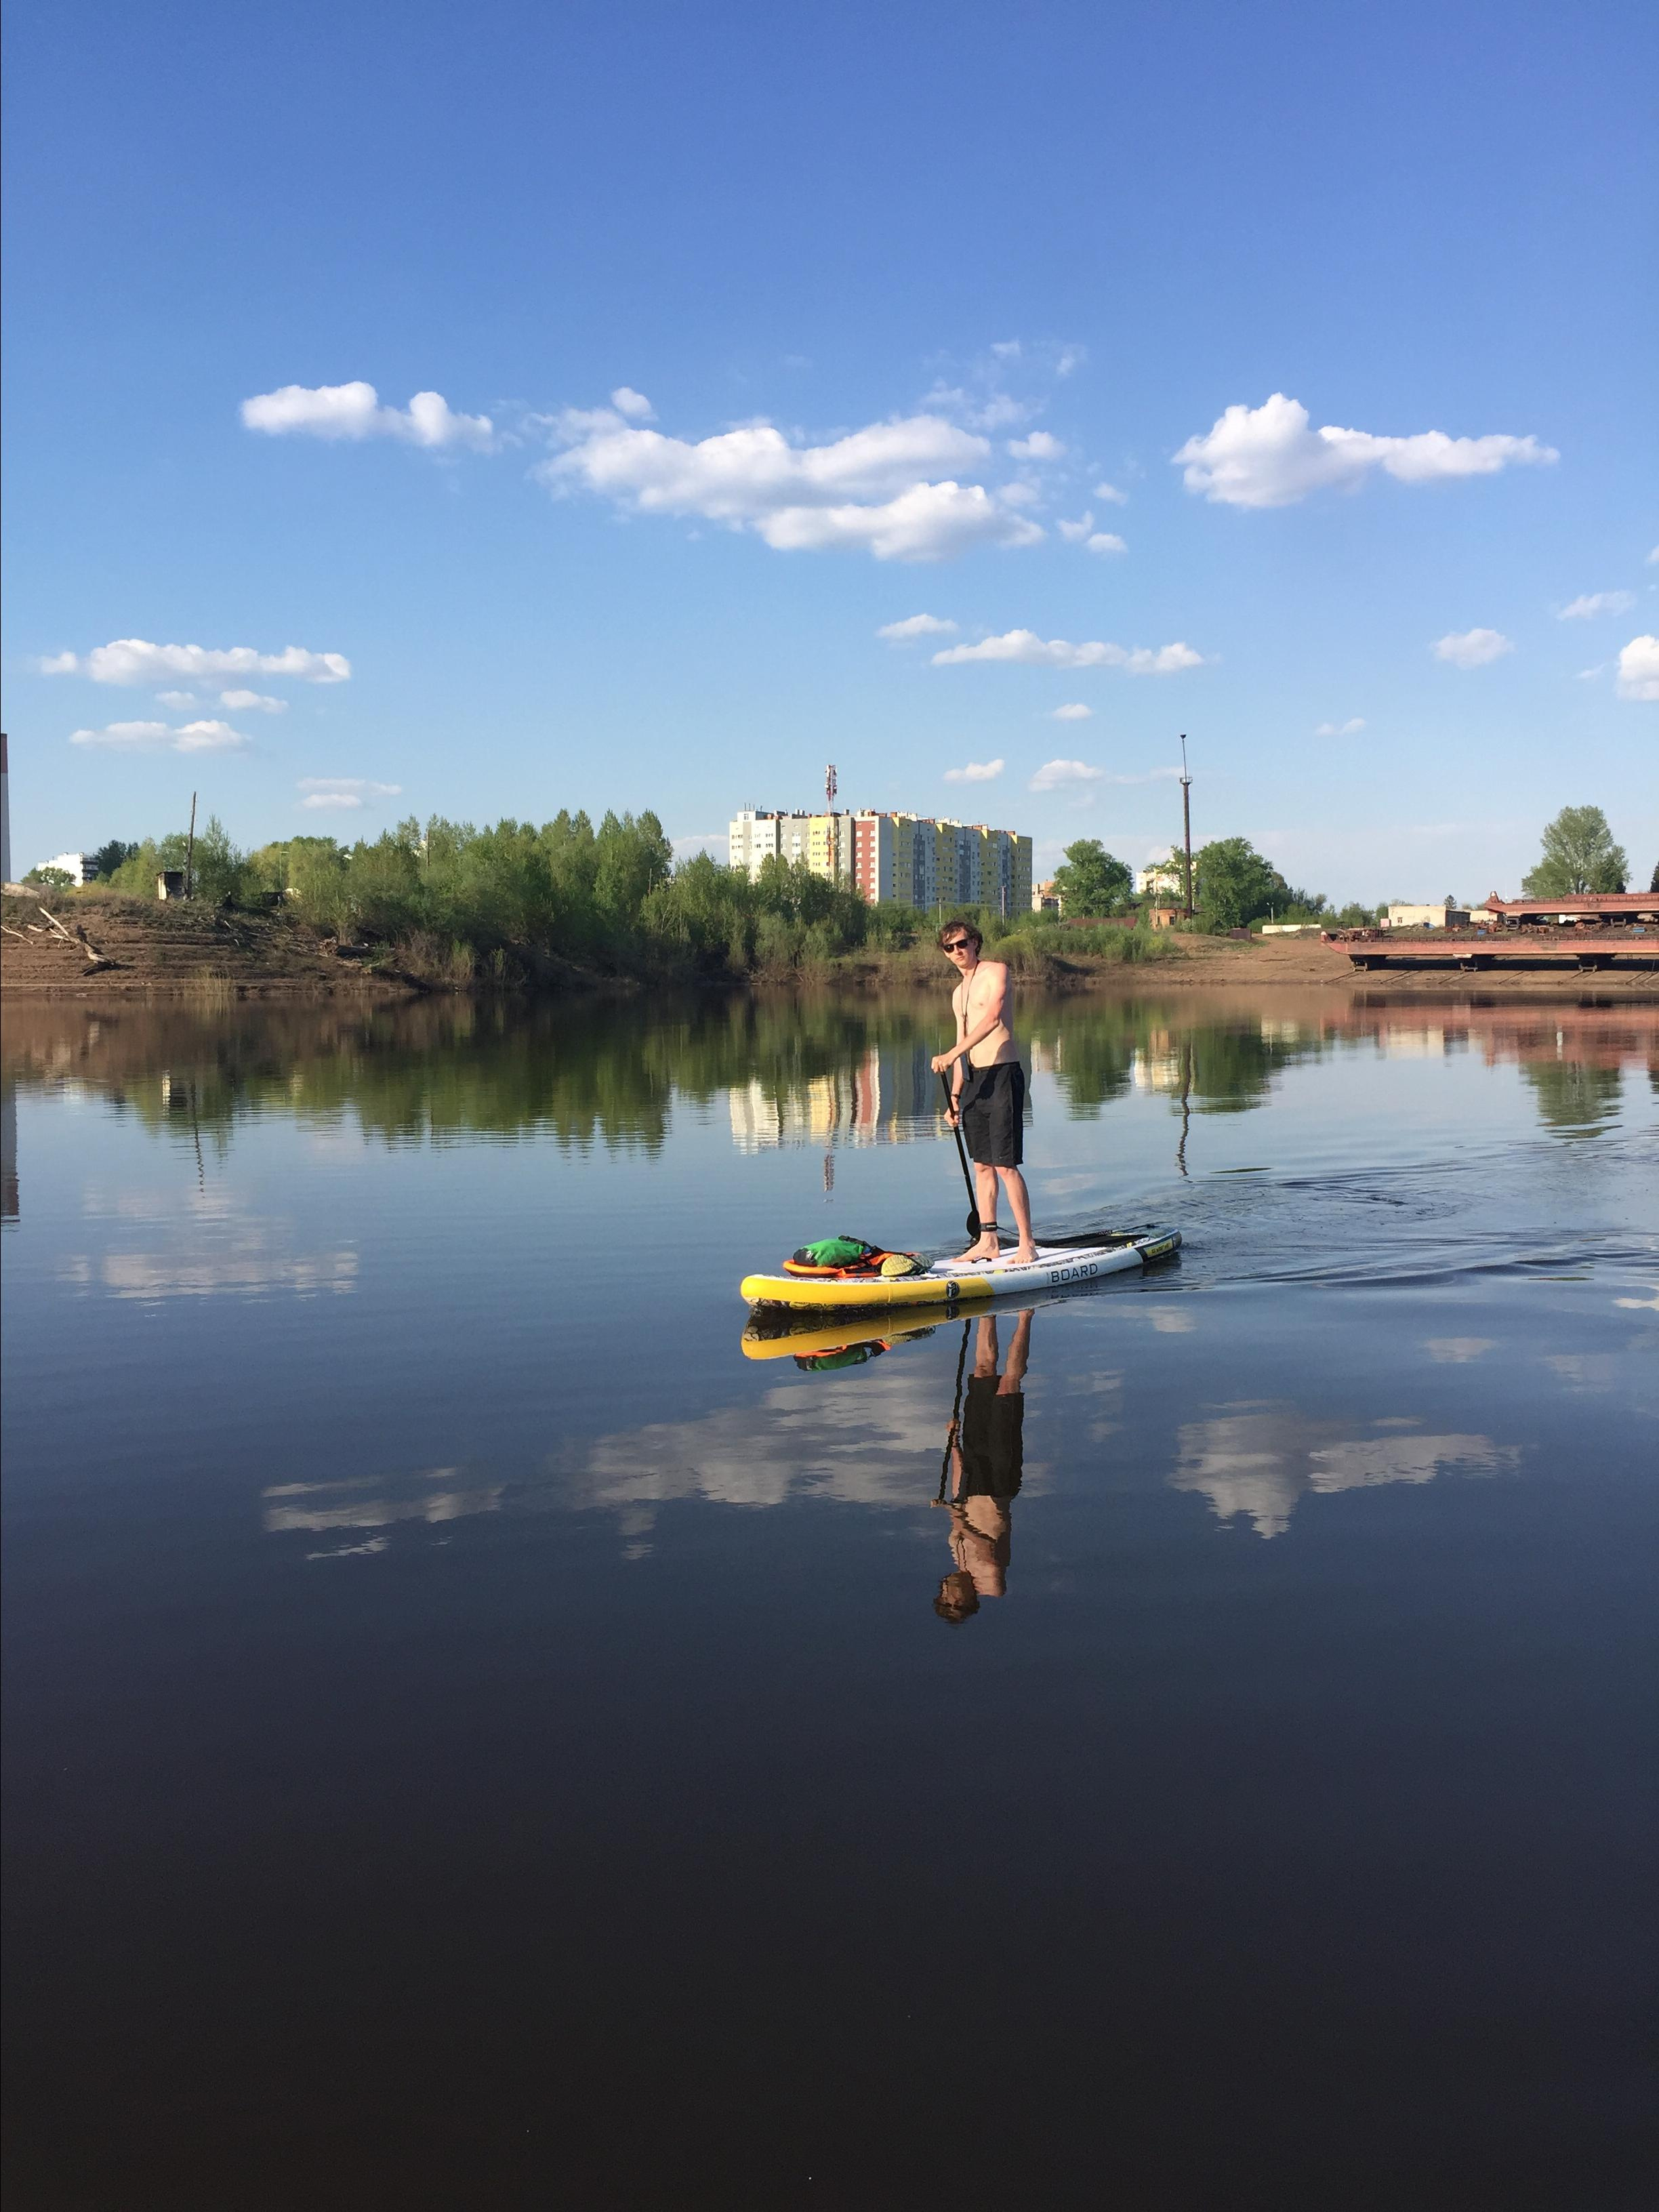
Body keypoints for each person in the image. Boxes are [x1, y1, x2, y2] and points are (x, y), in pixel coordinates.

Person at [929, 920, 1037, 1264]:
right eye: (950, 948)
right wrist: (956, 1096)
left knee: (1005, 1165)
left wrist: (951, 1053)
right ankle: (988, 1240)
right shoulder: (958, 994)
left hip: (1003, 1074)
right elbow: (964, 1043)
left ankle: (1026, 1243)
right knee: (982, 1166)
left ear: (975, 942)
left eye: (962, 944)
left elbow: (992, 1019)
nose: (958, 952)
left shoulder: (996, 972)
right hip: (975, 1080)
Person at [933, 1309, 1031, 1623]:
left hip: (974, 1480)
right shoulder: (990, 1584)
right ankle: (1024, 1316)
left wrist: (955, 1444)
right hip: (999, 1484)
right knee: (1007, 1387)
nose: (948, 1592)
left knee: (981, 1371)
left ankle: (985, 1314)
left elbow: (959, 1496)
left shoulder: (957, 1557)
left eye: (944, 1597)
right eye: (953, 1601)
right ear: (967, 1601)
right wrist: (953, 1516)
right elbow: (988, 1549)